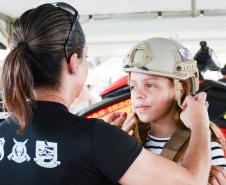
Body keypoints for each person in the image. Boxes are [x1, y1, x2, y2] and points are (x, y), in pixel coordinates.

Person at [0, 3, 211, 185]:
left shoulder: (2, 130)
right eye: (86, 57)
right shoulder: (96, 138)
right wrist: (200, 124)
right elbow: (193, 181)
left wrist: (106, 150)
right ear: (74, 63)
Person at [111, 37, 226, 185]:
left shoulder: (206, 149)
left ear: (182, 88)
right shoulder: (127, 142)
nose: (138, 94)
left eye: (150, 85)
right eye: (133, 86)